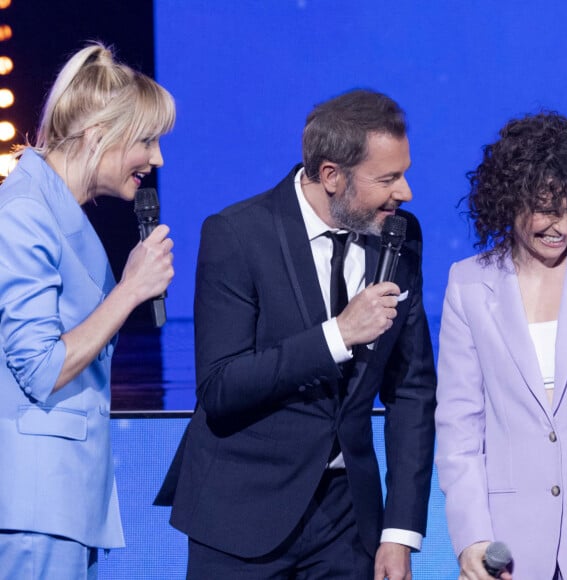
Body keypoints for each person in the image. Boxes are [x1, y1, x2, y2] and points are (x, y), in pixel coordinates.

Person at [162, 89, 436, 579]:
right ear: (331, 175)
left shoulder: (400, 234)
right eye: (388, 178)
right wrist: (338, 334)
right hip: (242, 516)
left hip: (347, 522)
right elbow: (221, 387)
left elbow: (412, 390)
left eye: (404, 173)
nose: (405, 192)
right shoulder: (238, 234)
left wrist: (398, 533)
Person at [0, 42, 175, 579]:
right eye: (146, 140)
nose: (157, 159)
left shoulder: (53, 209)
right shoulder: (27, 211)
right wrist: (129, 290)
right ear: (100, 135)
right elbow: (41, 367)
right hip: (37, 505)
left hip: (65, 501)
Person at [435, 112, 567, 580]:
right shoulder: (469, 285)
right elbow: (460, 429)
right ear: (510, 202)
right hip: (512, 548)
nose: (561, 224)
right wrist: (473, 539)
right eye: (545, 208)